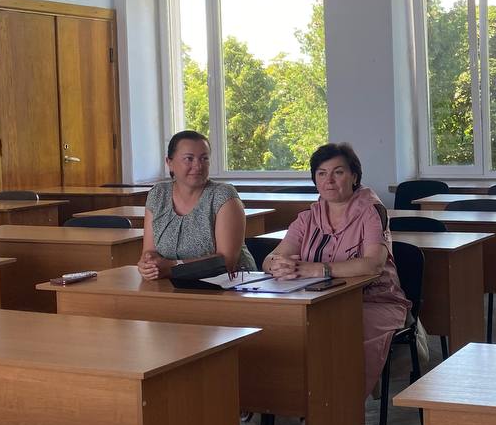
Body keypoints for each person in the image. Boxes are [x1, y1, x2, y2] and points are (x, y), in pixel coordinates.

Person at [266, 142, 415, 405]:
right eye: (322, 173)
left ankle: (332, 409)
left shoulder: (371, 211)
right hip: (318, 301)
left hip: (372, 301)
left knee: (334, 335)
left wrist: (320, 269)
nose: (329, 180)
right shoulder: (308, 217)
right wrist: (277, 265)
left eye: (338, 172)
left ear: (354, 176)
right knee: (277, 331)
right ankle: (281, 400)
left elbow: (373, 264)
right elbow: (271, 258)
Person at [138, 130, 253, 280]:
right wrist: (149, 264)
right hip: (171, 283)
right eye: (189, 159)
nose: (198, 166)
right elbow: (149, 251)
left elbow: (227, 261)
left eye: (204, 158)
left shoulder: (223, 195)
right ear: (170, 163)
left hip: (230, 284)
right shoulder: (158, 194)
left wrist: (174, 267)